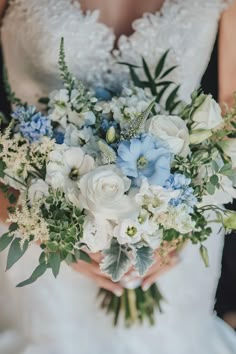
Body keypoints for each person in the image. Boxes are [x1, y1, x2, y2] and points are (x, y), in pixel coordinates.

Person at [0, 1, 236, 353]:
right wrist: (35, 223)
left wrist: (184, 219)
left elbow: (231, 112)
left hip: (172, 247)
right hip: (38, 244)